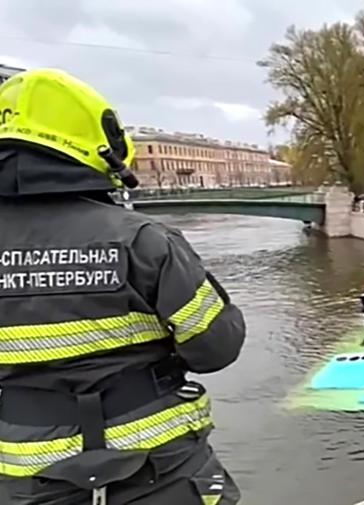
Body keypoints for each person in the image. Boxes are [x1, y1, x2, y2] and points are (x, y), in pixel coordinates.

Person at [0, 69, 245, 505]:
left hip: (24, 478)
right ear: (101, 145)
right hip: (158, 470)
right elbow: (216, 347)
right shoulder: (143, 240)